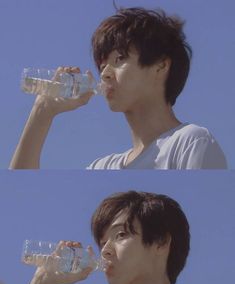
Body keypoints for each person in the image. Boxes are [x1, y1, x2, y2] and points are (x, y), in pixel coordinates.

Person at [10, 7, 227, 170]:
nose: (104, 73)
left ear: (161, 65)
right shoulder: (103, 167)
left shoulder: (190, 142)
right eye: (102, 65)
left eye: (119, 59)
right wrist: (42, 111)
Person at [21, 191, 224, 284]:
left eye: (120, 235)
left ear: (161, 242)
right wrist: (42, 283)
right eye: (102, 243)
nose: (105, 250)